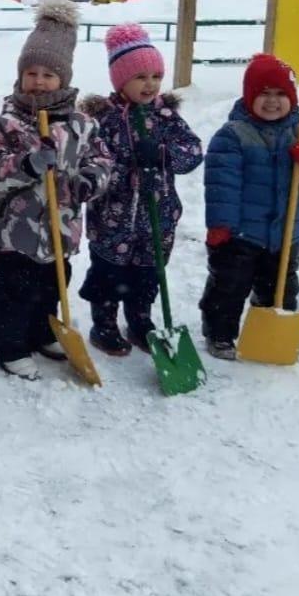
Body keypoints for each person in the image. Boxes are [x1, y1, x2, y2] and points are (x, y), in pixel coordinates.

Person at [0, 0, 111, 380]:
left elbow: (103, 162)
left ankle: (41, 332)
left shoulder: (83, 125)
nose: (38, 81)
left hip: (60, 230)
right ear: (20, 77)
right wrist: (26, 165)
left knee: (52, 286)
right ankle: (9, 345)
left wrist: (88, 180)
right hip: (13, 231)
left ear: (63, 79)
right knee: (15, 291)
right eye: (31, 73)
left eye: (48, 75)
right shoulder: (5, 125)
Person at [79, 24, 203, 355]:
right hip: (114, 218)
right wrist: (127, 173)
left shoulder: (165, 115)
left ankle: (139, 320)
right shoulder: (104, 119)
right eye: (140, 77)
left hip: (157, 216)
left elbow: (192, 152)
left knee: (148, 274)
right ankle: (103, 324)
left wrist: (163, 154)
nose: (150, 84)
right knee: (108, 274)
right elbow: (93, 160)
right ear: (121, 80)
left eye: (156, 76)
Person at [200, 53, 299, 360]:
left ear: (291, 98)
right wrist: (220, 226)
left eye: (280, 94)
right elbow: (222, 187)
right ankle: (220, 334)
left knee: (280, 288)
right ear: (250, 95)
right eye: (264, 93)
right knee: (228, 288)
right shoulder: (233, 135)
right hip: (241, 233)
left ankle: (268, 333)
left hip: (286, 232)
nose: (272, 101)